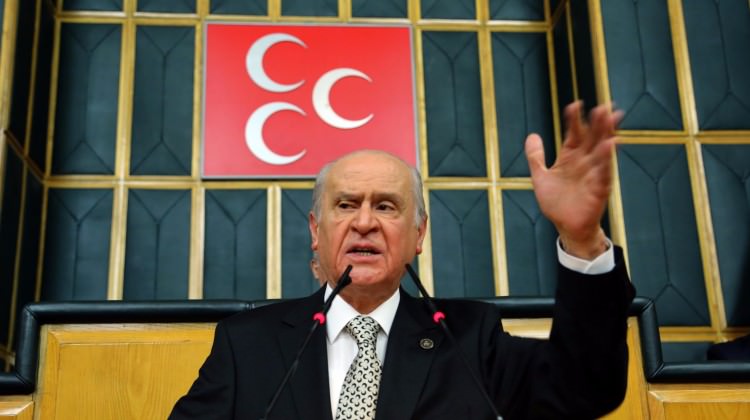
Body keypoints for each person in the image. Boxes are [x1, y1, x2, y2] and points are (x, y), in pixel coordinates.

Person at [170, 102, 635, 419]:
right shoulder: (246, 344)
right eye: (346, 205)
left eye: (386, 206)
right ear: (315, 231)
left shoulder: (472, 339)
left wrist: (583, 239)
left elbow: (586, 388)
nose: (364, 222)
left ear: (419, 234)